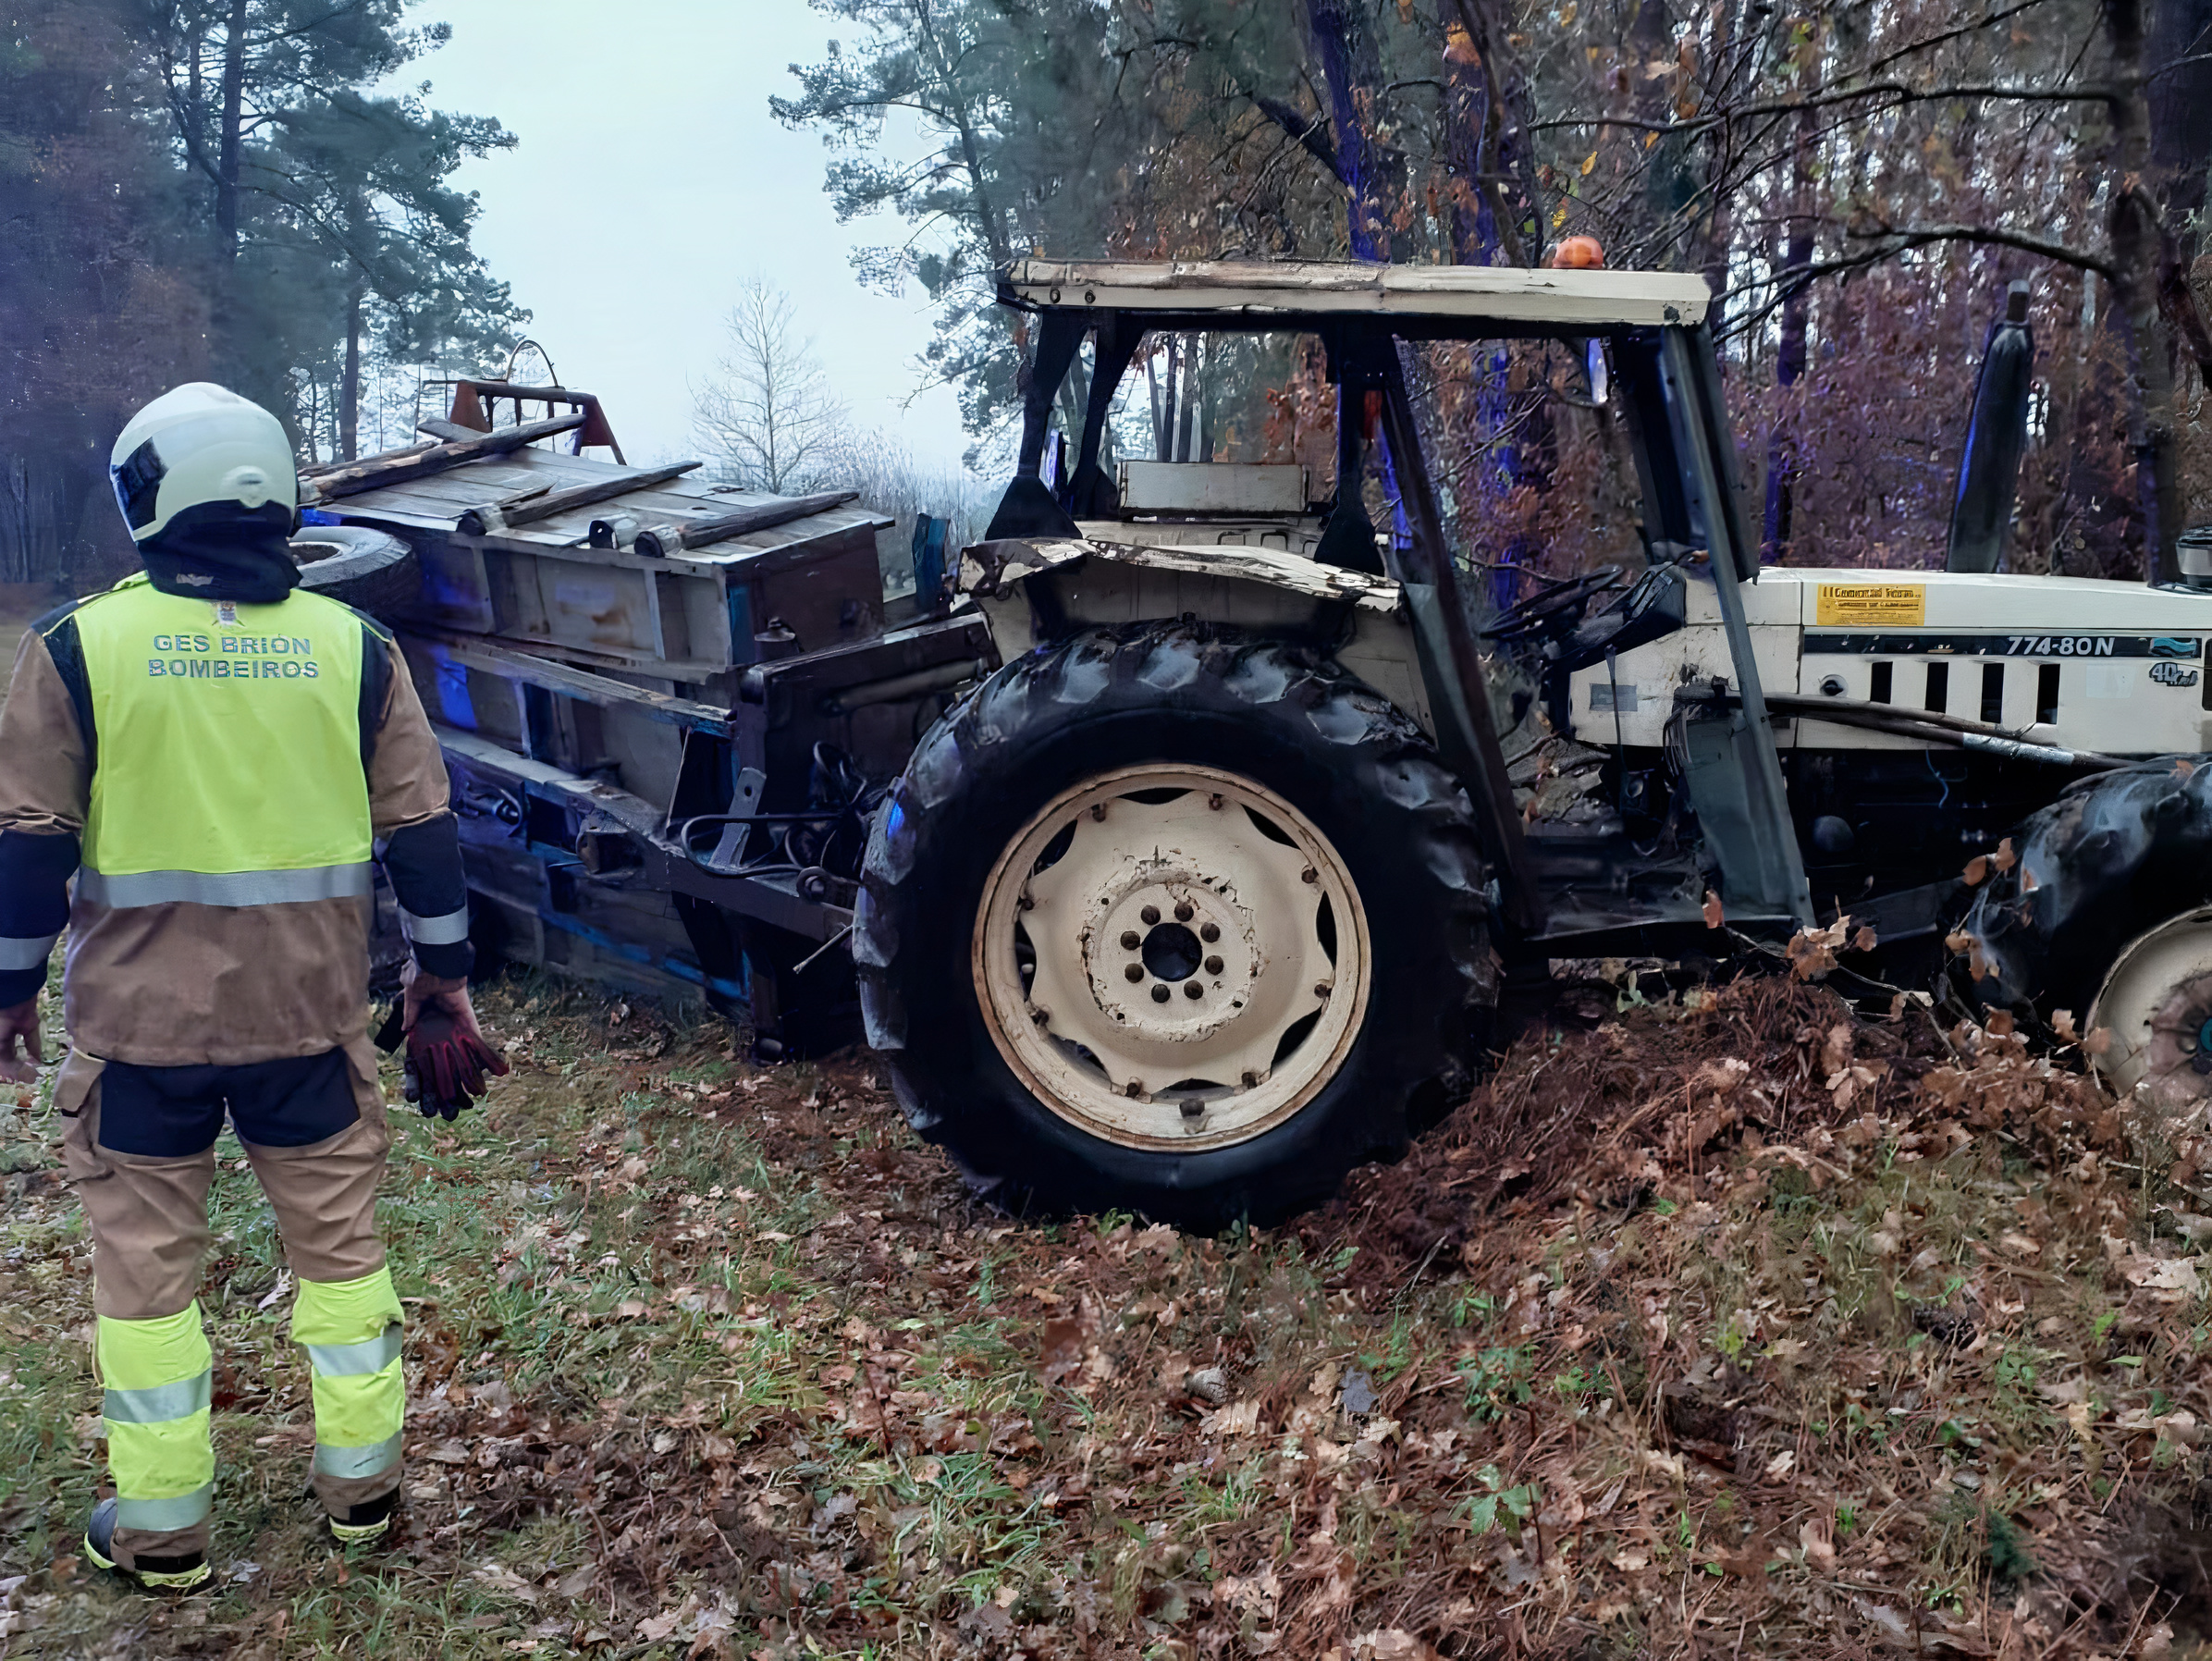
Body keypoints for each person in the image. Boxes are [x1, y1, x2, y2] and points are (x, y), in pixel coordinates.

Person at [0, 384, 506, 1591]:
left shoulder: (76, 649)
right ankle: (365, 1498)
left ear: (147, 499)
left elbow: (27, 845)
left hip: (138, 1039)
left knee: (145, 1282)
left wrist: (11, 992)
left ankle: (164, 1535)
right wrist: (443, 982)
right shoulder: (355, 651)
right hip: (311, 1031)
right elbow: (425, 836)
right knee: (342, 1261)